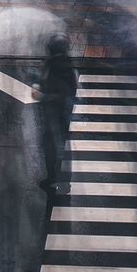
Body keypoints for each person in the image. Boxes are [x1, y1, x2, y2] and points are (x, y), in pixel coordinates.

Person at [35, 34, 78, 195]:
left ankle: (55, 179)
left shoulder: (60, 66)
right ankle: (57, 178)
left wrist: (44, 97)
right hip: (56, 114)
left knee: (53, 147)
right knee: (57, 146)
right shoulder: (59, 63)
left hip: (56, 114)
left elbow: (66, 93)